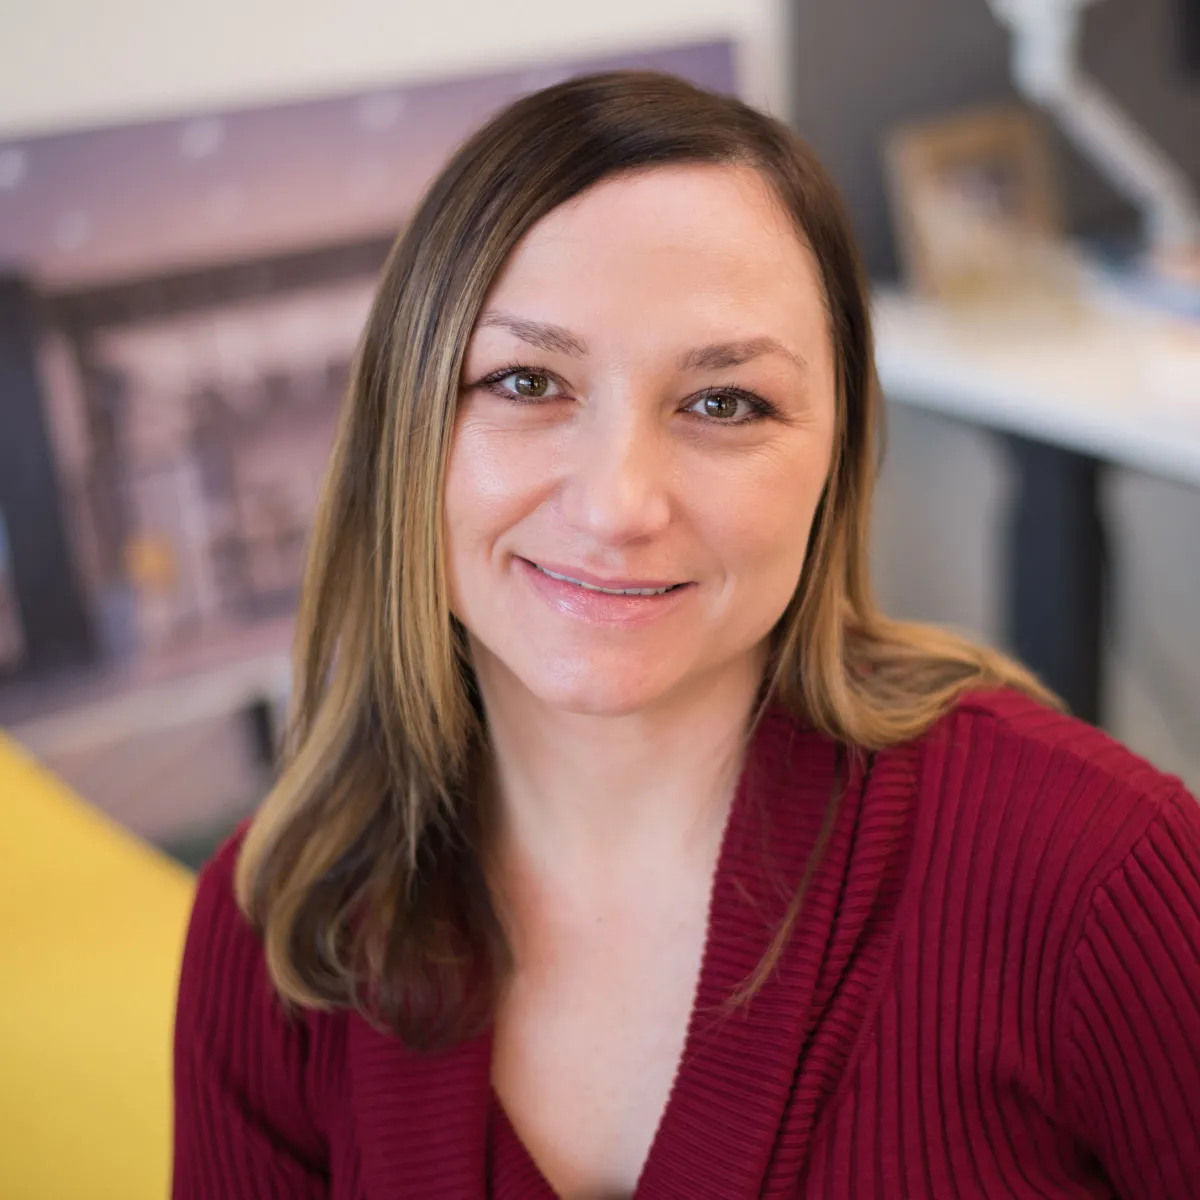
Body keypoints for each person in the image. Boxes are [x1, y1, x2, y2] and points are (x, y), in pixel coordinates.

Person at [172, 71, 1200, 1199]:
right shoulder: (279, 926)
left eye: (725, 403)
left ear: (837, 458)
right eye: (527, 381)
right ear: (404, 428)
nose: (618, 506)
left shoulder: (1102, 871)